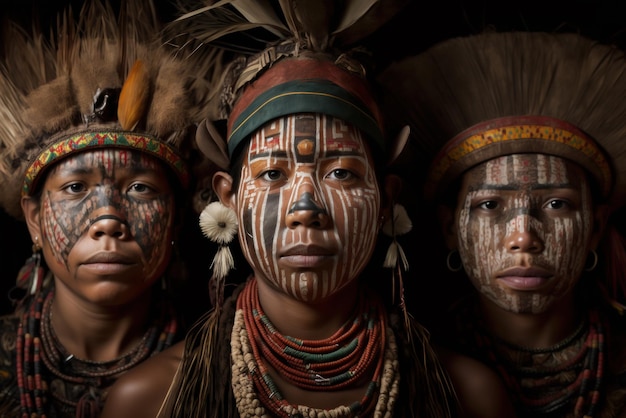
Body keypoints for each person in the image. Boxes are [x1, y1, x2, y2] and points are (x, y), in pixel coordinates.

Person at [99, 1, 521, 418]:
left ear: (386, 198)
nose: (305, 207)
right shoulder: (151, 401)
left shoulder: (468, 396)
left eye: (341, 173)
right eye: (271, 174)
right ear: (229, 196)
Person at [378, 31, 626, 418]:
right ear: (450, 230)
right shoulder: (407, 370)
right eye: (490, 204)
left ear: (595, 227)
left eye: (557, 203)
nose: (524, 237)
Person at [0, 0, 212, 416]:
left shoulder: (217, 374)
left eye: (139, 188)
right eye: (76, 187)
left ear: (177, 217)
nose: (109, 221)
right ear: (34, 219)